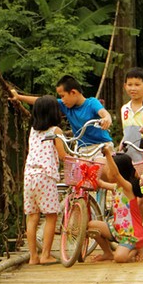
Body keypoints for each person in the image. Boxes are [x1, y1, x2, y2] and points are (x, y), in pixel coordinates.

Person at [24, 96, 68, 265]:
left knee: (32, 217)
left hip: (29, 175)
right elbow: (63, 155)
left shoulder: (33, 131)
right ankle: (46, 255)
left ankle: (33, 256)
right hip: (45, 177)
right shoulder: (55, 131)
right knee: (51, 216)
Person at [10, 75, 112, 147]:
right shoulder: (65, 105)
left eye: (63, 96)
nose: (62, 100)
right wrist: (19, 97)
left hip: (101, 146)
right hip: (82, 149)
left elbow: (103, 112)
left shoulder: (92, 103)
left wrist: (106, 119)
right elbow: (41, 101)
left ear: (73, 92)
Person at [87, 145, 143, 263]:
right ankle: (108, 253)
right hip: (117, 231)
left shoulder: (127, 188)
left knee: (119, 258)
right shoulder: (116, 187)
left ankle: (136, 250)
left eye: (109, 169)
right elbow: (101, 183)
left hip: (132, 235)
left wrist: (108, 154)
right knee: (92, 225)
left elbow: (116, 175)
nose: (107, 171)